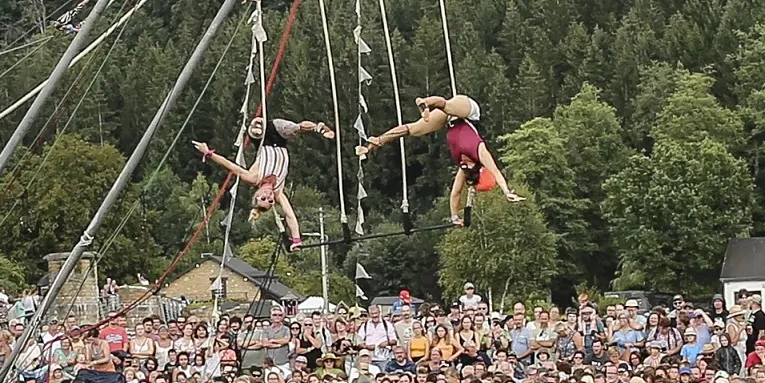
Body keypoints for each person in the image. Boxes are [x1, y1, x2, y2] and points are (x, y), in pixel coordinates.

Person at [356, 94, 522, 225]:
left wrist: (454, 216)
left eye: (465, 168)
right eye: (469, 166)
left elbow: (455, 193)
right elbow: (496, 172)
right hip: (469, 112)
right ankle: (425, 103)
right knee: (447, 105)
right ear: (477, 167)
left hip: (449, 122)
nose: (465, 164)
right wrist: (507, 191)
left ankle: (376, 142)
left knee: (414, 129)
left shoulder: (464, 167)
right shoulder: (479, 151)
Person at [195, 113, 335, 250]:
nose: (268, 197)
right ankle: (317, 128)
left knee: (256, 128)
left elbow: (230, 166)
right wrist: (296, 239)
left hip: (262, 140)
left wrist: (208, 153)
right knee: (297, 129)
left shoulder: (253, 178)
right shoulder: (278, 191)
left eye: (263, 198)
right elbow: (290, 215)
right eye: (270, 201)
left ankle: (258, 123)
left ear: (256, 194)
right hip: (279, 136)